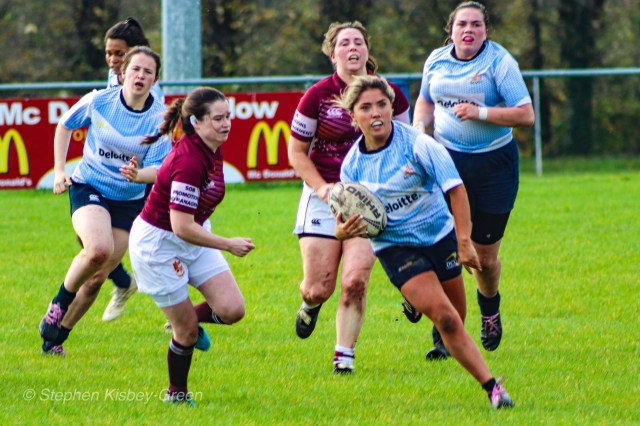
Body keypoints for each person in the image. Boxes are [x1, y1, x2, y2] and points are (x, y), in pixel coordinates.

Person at [336, 75, 514, 409]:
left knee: (456, 319)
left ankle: (416, 300)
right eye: (366, 107)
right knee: (445, 319)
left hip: (439, 237)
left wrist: (464, 241)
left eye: (382, 104)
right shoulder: (352, 166)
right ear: (353, 116)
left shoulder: (418, 144)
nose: (376, 113)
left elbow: (456, 189)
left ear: (391, 107)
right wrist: (342, 232)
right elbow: (345, 220)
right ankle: (493, 389)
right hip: (394, 247)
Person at [410, 1, 535, 357]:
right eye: (462, 24)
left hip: (495, 166)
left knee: (484, 257)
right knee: (444, 247)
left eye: (476, 24)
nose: (468, 30)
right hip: (448, 162)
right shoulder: (436, 60)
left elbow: (526, 115)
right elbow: (425, 101)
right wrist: (419, 130)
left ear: (485, 30)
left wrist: (480, 112)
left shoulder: (499, 62)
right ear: (450, 30)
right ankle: (443, 332)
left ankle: (489, 307)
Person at [288, 21, 410, 375]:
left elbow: (407, 146)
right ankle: (310, 306)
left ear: (367, 51)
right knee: (317, 288)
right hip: (324, 194)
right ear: (332, 54)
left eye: (358, 42)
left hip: (370, 199)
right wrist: (322, 188)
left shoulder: (390, 94)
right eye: (344, 43)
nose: (352, 48)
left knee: (355, 281)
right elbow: (296, 152)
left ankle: (344, 358)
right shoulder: (317, 95)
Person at [38, 46, 172, 356]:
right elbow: (65, 125)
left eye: (148, 72)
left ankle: (55, 339)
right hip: (90, 186)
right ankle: (58, 304)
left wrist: (138, 175)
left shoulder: (160, 119)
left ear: (155, 81)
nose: (140, 75)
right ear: (122, 73)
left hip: (129, 200)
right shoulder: (99, 100)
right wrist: (60, 171)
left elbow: (158, 170)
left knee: (97, 278)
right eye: (135, 69)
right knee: (99, 250)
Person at [128, 87, 255, 405]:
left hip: (193, 234)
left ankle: (184, 320)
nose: (226, 124)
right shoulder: (190, 160)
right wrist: (227, 244)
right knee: (185, 332)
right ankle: (176, 394)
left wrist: (141, 175)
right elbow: (180, 226)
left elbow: (167, 176)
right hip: (159, 245)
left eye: (228, 117)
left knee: (232, 310)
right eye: (218, 118)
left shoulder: (210, 146)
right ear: (197, 122)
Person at [100, 17, 164, 322]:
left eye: (119, 54)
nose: (113, 60)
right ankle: (124, 282)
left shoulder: (151, 93)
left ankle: (177, 314)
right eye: (109, 53)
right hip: (115, 175)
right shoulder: (113, 80)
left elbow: (157, 137)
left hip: (145, 177)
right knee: (91, 242)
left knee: (155, 248)